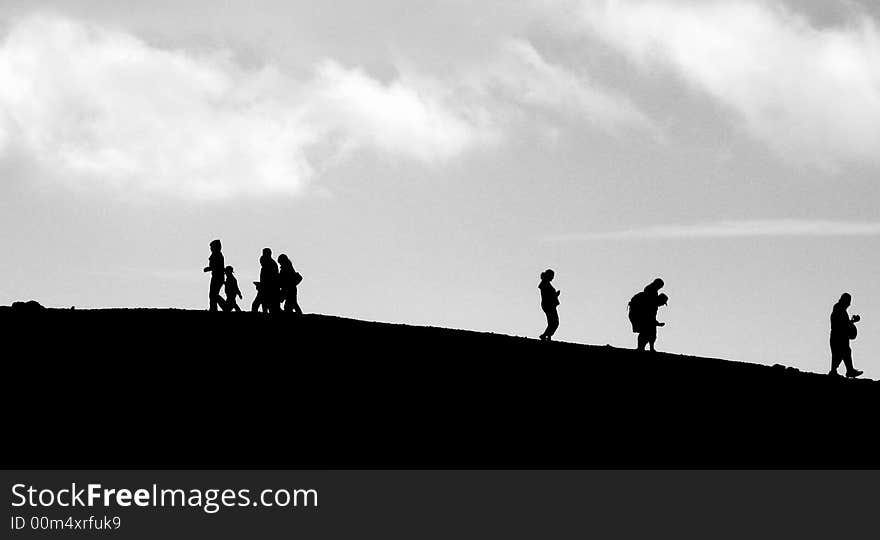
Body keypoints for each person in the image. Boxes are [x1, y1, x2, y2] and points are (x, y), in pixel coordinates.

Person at [829, 293, 863, 378]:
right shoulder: (838, 309)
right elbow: (841, 324)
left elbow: (845, 324)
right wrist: (850, 324)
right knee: (840, 354)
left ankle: (846, 370)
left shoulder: (840, 310)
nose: (849, 304)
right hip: (838, 337)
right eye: (848, 302)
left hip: (839, 336)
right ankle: (846, 371)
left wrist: (852, 322)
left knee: (842, 353)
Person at [629, 278, 665, 351]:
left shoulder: (651, 292)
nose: (662, 305)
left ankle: (646, 348)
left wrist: (656, 323)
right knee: (646, 332)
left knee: (649, 331)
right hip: (641, 315)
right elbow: (649, 313)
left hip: (641, 315)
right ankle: (642, 348)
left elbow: (651, 315)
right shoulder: (651, 293)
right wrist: (656, 323)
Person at [251, 248, 280, 314]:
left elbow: (270, 279)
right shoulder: (270, 264)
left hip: (267, 289)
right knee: (264, 305)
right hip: (265, 288)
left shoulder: (270, 265)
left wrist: (261, 285)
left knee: (258, 305)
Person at [203, 239, 225, 312]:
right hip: (217, 277)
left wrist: (208, 268)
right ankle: (214, 308)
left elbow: (216, 266)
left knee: (213, 294)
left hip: (217, 277)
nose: (211, 249)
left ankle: (222, 307)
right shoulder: (216, 254)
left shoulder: (217, 255)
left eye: (212, 247)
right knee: (213, 294)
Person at [538, 269, 560, 341]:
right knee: (554, 322)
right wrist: (555, 295)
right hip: (548, 305)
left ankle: (547, 336)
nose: (553, 278)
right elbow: (547, 296)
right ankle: (545, 335)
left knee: (553, 322)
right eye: (552, 276)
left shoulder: (546, 283)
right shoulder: (545, 284)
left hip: (549, 305)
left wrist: (555, 295)